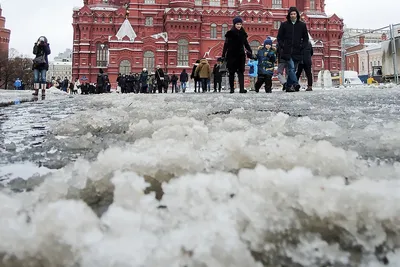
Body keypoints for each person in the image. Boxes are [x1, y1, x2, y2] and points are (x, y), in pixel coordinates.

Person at [277, 6, 309, 92]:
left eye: (294, 14)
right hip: (287, 51)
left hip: (297, 51)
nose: (293, 15)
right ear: (289, 15)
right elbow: (279, 38)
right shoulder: (284, 25)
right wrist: (283, 46)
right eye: (291, 14)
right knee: (291, 68)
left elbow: (306, 38)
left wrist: (302, 47)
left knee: (293, 70)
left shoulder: (302, 25)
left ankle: (288, 87)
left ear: (297, 15)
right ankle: (295, 83)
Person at [221, 16, 252, 93]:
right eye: (237, 24)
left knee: (241, 72)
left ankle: (241, 89)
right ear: (234, 24)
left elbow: (246, 43)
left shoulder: (243, 33)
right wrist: (223, 55)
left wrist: (250, 51)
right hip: (231, 55)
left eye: (240, 24)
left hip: (240, 55)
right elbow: (226, 45)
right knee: (231, 73)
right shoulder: (230, 33)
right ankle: (232, 89)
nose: (239, 25)